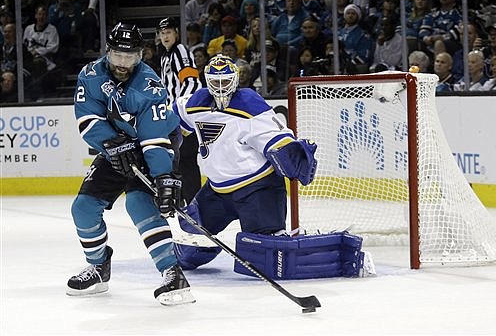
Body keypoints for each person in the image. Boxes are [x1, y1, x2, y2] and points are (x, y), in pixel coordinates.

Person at [67, 22, 194, 306]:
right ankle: (99, 267)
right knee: (83, 209)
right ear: (108, 51)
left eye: (130, 57)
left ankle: (172, 273)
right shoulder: (90, 75)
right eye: (117, 56)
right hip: (116, 141)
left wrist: (163, 177)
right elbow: (87, 119)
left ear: (140, 55)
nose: (123, 63)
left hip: (155, 141)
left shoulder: (149, 86)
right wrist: (112, 143)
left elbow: (154, 138)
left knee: (139, 202)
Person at [171, 54, 317, 270]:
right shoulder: (196, 102)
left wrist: (289, 152)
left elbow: (276, 134)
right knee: (188, 250)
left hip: (258, 191)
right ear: (207, 80)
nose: (221, 88)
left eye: (225, 81)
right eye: (215, 82)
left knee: (267, 260)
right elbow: (174, 118)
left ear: (235, 80)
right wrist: (159, 143)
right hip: (217, 191)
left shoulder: (249, 103)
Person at [157, 17, 203, 205]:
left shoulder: (180, 51)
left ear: (176, 33)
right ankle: (184, 203)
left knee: (186, 160)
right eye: (162, 33)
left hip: (183, 117)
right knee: (179, 161)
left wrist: (178, 110)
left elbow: (192, 83)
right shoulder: (165, 56)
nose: (165, 36)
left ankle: (194, 205)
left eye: (169, 32)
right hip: (173, 118)